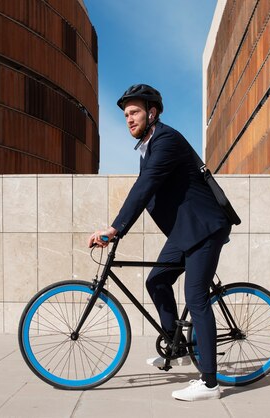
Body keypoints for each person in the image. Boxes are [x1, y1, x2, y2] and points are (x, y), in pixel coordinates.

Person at [88, 84, 232, 401]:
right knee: (157, 281)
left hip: (204, 228)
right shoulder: (149, 148)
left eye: (135, 111)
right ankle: (177, 346)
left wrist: (115, 228)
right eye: (125, 114)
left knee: (196, 297)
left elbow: (145, 188)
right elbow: (147, 189)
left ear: (152, 113)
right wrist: (119, 228)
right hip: (185, 232)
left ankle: (210, 384)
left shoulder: (166, 140)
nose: (128, 118)